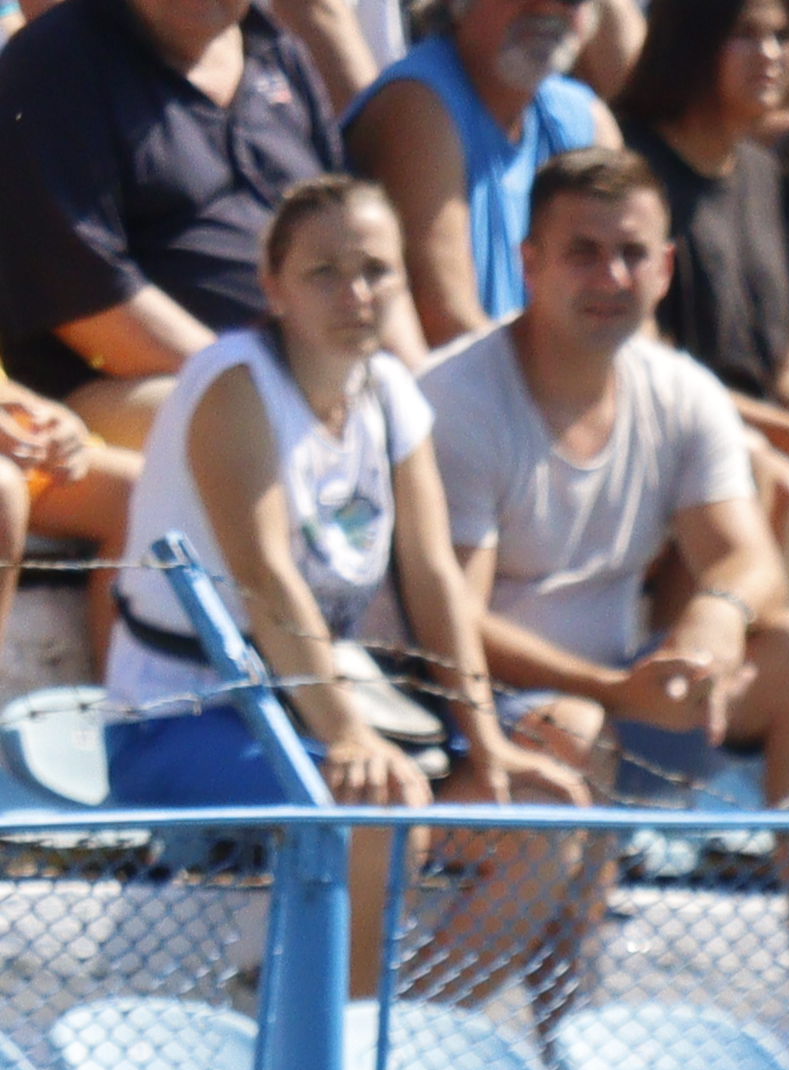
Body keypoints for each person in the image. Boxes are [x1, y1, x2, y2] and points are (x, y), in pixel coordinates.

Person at [429, 152, 789, 1007]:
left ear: (666, 267)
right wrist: (615, 686)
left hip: (630, 693)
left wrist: (713, 627)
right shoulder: (458, 399)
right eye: (582, 252)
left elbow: (746, 557)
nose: (611, 276)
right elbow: (450, 623)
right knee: (579, 728)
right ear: (529, 261)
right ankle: (551, 1037)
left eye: (632, 253)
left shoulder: (682, 391)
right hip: (472, 711)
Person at [107, 179, 582, 1002]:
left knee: (553, 800)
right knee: (373, 801)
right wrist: (352, 735)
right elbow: (264, 578)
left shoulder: (392, 392)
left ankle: (417, 1038)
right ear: (273, 285)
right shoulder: (235, 384)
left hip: (316, 701)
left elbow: (435, 577)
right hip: (183, 716)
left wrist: (486, 737)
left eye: (375, 271)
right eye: (325, 272)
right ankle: (344, 1062)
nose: (355, 295)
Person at [0, 0, 353, 492]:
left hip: (307, 367)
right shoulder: (55, 61)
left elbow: (354, 240)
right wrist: (266, 382)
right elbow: (92, 308)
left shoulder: (275, 45)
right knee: (247, 428)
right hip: (122, 391)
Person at [617, 0, 789, 451]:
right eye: (744, 34)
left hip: (770, 440)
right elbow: (646, 368)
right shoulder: (631, 171)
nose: (769, 54)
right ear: (688, 41)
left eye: (783, 36)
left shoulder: (773, 181)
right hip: (675, 444)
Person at [352, 0, 615, 349]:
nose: (549, 7)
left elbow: (630, 306)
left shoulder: (585, 119)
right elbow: (445, 322)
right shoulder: (419, 106)